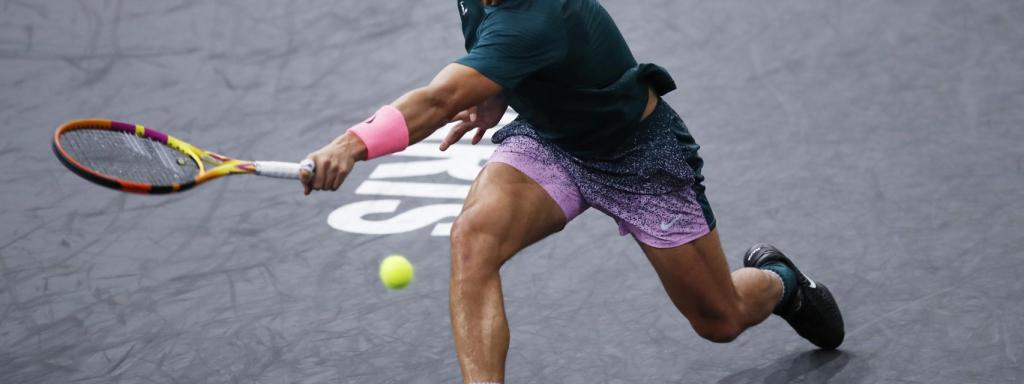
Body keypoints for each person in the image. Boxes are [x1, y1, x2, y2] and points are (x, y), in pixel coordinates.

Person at [299, 1, 844, 382]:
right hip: (549, 141)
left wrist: (350, 145)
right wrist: (495, 91)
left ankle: (782, 281)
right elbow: (487, 55)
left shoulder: (538, 16)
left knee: (720, 321)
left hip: (639, 160)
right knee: (474, 238)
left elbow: (438, 99)